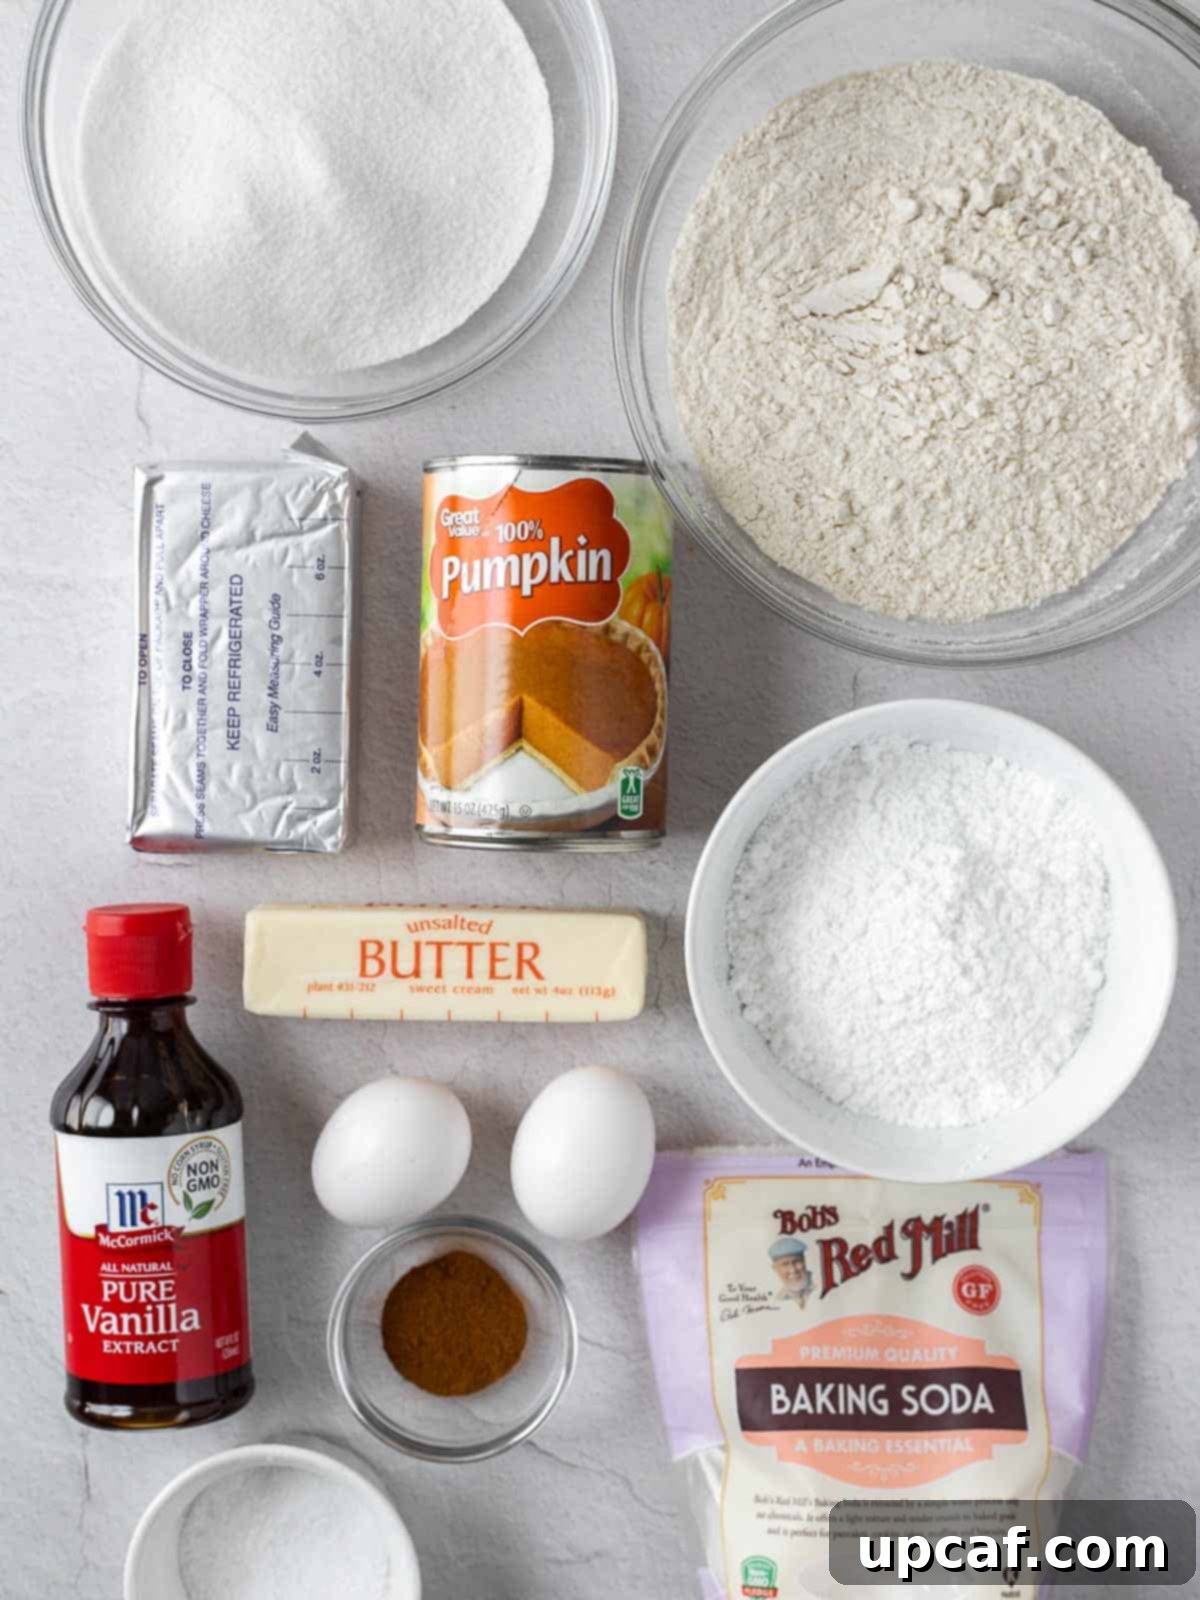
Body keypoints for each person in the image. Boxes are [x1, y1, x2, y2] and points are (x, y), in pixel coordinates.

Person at [769, 1235, 814, 1310]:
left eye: (796, 1262)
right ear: (775, 1268)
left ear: (804, 1261)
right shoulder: (778, 1299)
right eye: (785, 1264)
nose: (793, 1270)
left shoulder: (820, 1285)